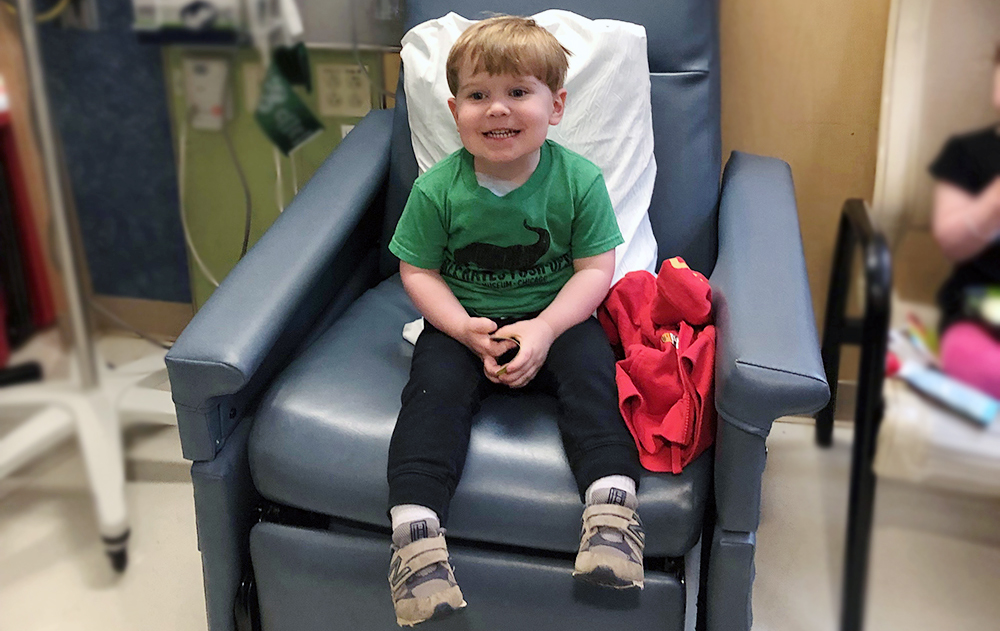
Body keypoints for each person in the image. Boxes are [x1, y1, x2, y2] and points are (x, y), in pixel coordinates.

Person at [385, 15, 644, 627]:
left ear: (556, 106)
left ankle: (612, 510)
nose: (497, 109)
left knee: (593, 376)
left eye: (517, 92)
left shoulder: (579, 181)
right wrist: (458, 327)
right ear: (454, 110)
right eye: (478, 95)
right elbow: (418, 272)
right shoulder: (437, 190)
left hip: (557, 316)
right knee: (431, 394)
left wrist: (548, 328)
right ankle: (415, 538)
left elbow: (592, 270)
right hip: (464, 323)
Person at [929, 43, 1000, 398]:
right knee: (977, 362)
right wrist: (992, 205)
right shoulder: (968, 153)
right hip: (976, 313)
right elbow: (951, 243)